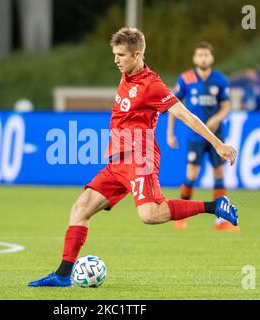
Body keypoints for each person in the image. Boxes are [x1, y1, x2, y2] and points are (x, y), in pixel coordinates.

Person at [28, 28, 238, 287]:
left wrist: (217, 144)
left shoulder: (152, 85)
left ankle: (215, 206)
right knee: (81, 208)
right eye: (114, 54)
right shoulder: (125, 75)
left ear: (137, 55)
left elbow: (186, 116)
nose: (116, 60)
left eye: (121, 55)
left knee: (149, 215)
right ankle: (62, 275)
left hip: (140, 158)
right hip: (117, 161)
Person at [167, 42, 239, 232]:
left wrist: (217, 118)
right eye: (200, 55)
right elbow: (173, 106)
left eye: (206, 55)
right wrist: (170, 132)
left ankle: (221, 221)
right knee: (191, 174)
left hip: (217, 135)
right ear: (194, 58)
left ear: (211, 58)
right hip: (195, 136)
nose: (203, 58)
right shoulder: (186, 79)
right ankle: (180, 217)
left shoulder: (220, 80)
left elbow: (226, 106)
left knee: (219, 174)